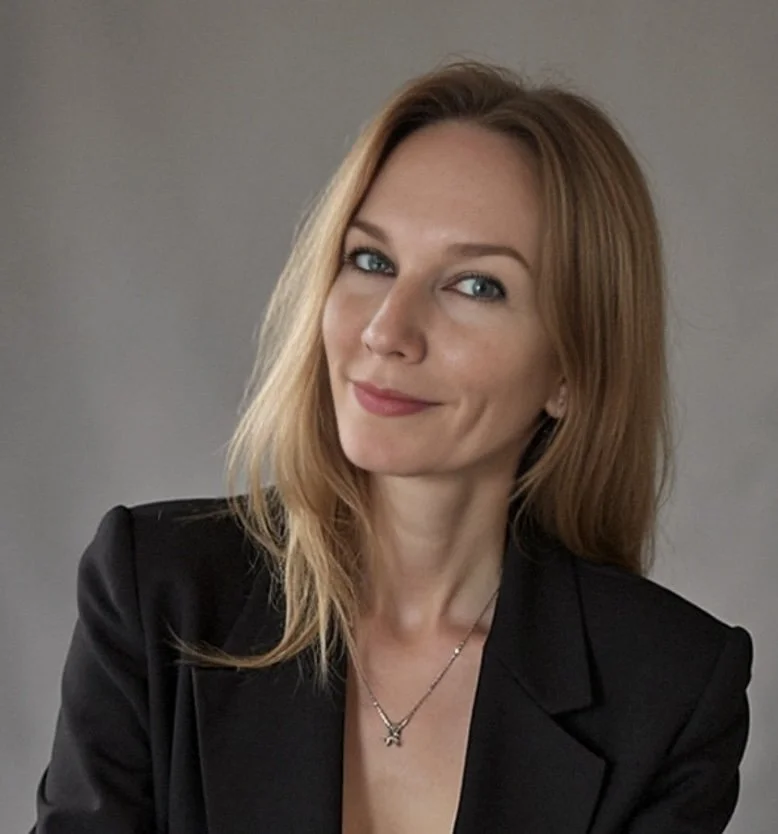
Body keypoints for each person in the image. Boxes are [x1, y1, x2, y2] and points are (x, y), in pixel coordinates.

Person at [32, 59, 753, 834]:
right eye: (371, 261)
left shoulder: (670, 691)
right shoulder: (155, 591)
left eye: (476, 285)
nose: (387, 330)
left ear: (571, 370)